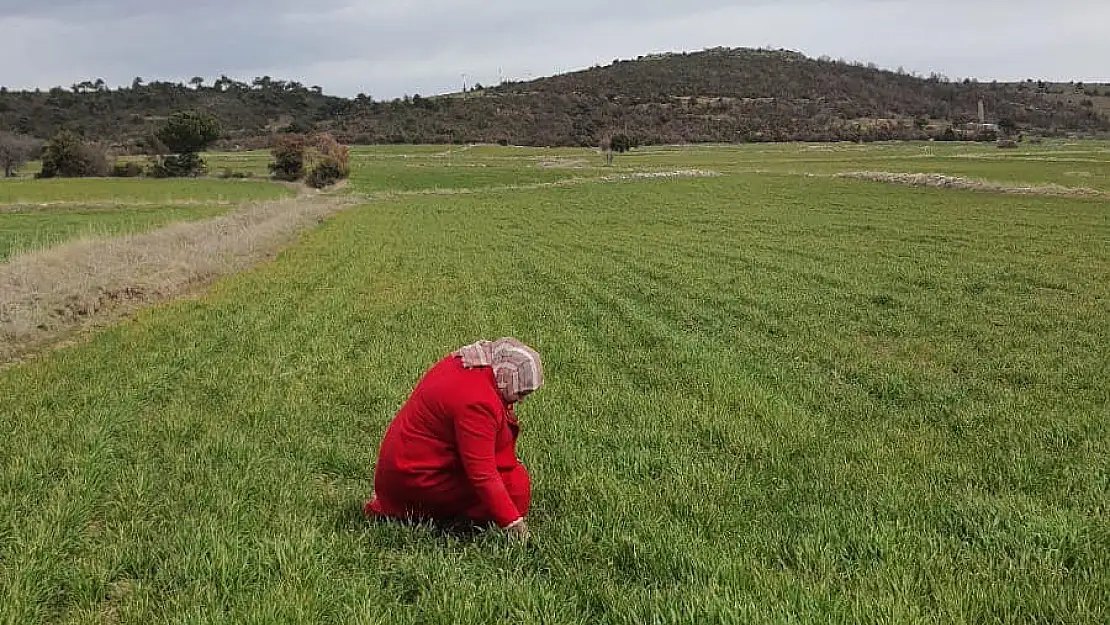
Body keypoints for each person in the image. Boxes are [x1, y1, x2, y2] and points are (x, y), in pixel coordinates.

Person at [364, 338, 544, 540]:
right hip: (416, 478)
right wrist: (516, 526)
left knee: (511, 479)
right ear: (508, 376)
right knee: (515, 485)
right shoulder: (478, 402)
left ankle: (403, 503)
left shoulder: (469, 362)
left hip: (404, 469)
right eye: (521, 392)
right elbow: (482, 474)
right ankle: (437, 516)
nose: (521, 399)